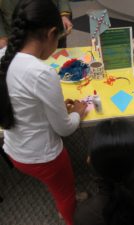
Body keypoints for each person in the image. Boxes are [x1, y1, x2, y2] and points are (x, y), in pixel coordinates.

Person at [0, 0, 87, 224]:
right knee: (66, 195)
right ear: (50, 33)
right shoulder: (42, 73)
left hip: (13, 149)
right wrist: (78, 112)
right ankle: (68, 211)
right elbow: (65, 128)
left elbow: (21, 101)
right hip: (44, 157)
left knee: (58, 188)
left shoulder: (3, 56)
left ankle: (63, 198)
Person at [0, 0, 72, 49]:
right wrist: (1, 36)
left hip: (51, 26)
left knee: (58, 61)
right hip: (16, 30)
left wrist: (64, 14)